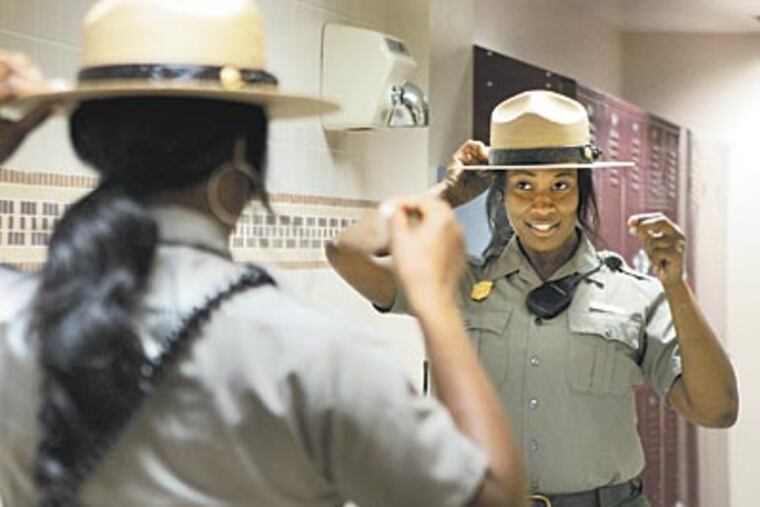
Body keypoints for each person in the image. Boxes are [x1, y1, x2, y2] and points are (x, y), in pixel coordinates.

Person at [0, 1, 528, 506]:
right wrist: (437, 305)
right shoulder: (315, 356)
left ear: (91, 143)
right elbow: (497, 499)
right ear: (244, 160)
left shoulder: (13, 320)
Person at [326, 90, 739, 507]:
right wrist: (450, 192)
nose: (543, 205)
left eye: (560, 185)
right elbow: (348, 252)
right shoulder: (456, 281)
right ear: (501, 194)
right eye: (524, 185)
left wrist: (675, 287)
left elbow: (717, 410)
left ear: (581, 192)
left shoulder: (634, 294)